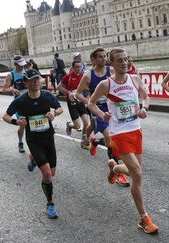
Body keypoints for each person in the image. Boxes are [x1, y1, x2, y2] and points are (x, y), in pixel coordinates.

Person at [88, 48, 158, 234]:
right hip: (118, 133)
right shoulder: (106, 84)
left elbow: (146, 96)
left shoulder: (135, 79)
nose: (125, 63)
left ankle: (115, 168)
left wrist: (144, 108)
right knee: (137, 173)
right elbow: (91, 103)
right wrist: (102, 114)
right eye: (120, 60)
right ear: (112, 63)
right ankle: (143, 218)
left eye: (126, 60)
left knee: (135, 172)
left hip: (136, 131)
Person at [2, 69, 63, 219]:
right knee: (47, 174)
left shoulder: (47, 96)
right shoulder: (21, 100)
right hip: (33, 140)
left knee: (52, 173)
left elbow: (60, 108)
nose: (36, 82)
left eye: (37, 79)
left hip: (48, 138)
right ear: (25, 82)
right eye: (32, 80)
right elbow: (5, 116)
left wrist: (54, 113)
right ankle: (50, 204)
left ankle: (34, 159)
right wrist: (17, 121)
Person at [75, 48, 130, 187]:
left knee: (114, 138)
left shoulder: (111, 71)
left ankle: (94, 142)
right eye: (99, 57)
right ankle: (118, 172)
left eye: (104, 56)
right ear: (93, 59)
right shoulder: (88, 76)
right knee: (110, 137)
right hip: (98, 111)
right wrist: (89, 102)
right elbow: (78, 93)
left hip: (113, 110)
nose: (103, 59)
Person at [57, 60, 90, 139]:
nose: (78, 68)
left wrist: (88, 96)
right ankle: (70, 125)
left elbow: (87, 89)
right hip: (72, 103)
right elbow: (59, 87)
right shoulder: (68, 77)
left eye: (80, 66)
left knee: (86, 123)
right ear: (73, 67)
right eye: (76, 66)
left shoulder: (83, 76)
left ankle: (84, 140)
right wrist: (68, 92)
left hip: (80, 101)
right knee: (77, 125)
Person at [4, 55, 28, 153]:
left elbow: (39, 79)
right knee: (22, 125)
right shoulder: (11, 75)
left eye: (23, 65)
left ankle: (33, 144)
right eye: (20, 65)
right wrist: (12, 89)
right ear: (15, 64)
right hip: (19, 103)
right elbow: (4, 89)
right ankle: (20, 141)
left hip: (29, 101)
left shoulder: (26, 72)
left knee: (31, 125)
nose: (22, 67)